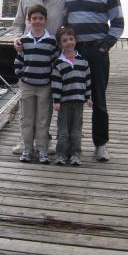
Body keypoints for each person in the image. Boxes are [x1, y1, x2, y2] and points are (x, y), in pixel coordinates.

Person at [63, 0, 124, 162]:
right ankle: (71, 143)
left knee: (99, 99)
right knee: (71, 98)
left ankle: (101, 144)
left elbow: (118, 24)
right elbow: (63, 21)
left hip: (97, 51)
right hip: (74, 52)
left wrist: (103, 47)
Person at [12, 0, 65, 155]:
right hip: (29, 55)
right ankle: (24, 142)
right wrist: (17, 39)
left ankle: (45, 141)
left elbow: (64, 26)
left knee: (45, 108)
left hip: (49, 56)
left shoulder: (60, 0)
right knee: (26, 107)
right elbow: (18, 24)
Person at [13, 4, 57, 164]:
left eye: (40, 18)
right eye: (34, 19)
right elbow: (19, 60)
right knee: (27, 118)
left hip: (45, 86)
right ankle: (27, 148)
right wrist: (21, 75)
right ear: (29, 21)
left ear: (45, 21)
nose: (37, 21)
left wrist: (52, 81)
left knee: (42, 119)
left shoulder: (51, 41)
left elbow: (54, 63)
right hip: (27, 85)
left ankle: (42, 149)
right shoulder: (23, 40)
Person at [51, 26, 92, 166]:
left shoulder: (83, 62)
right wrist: (56, 100)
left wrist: (88, 97)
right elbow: (56, 84)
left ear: (75, 40)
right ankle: (61, 154)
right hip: (64, 103)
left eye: (71, 39)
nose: (69, 42)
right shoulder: (58, 63)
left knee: (76, 130)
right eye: (64, 40)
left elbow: (87, 81)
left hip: (79, 102)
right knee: (62, 130)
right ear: (60, 44)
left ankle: (75, 154)